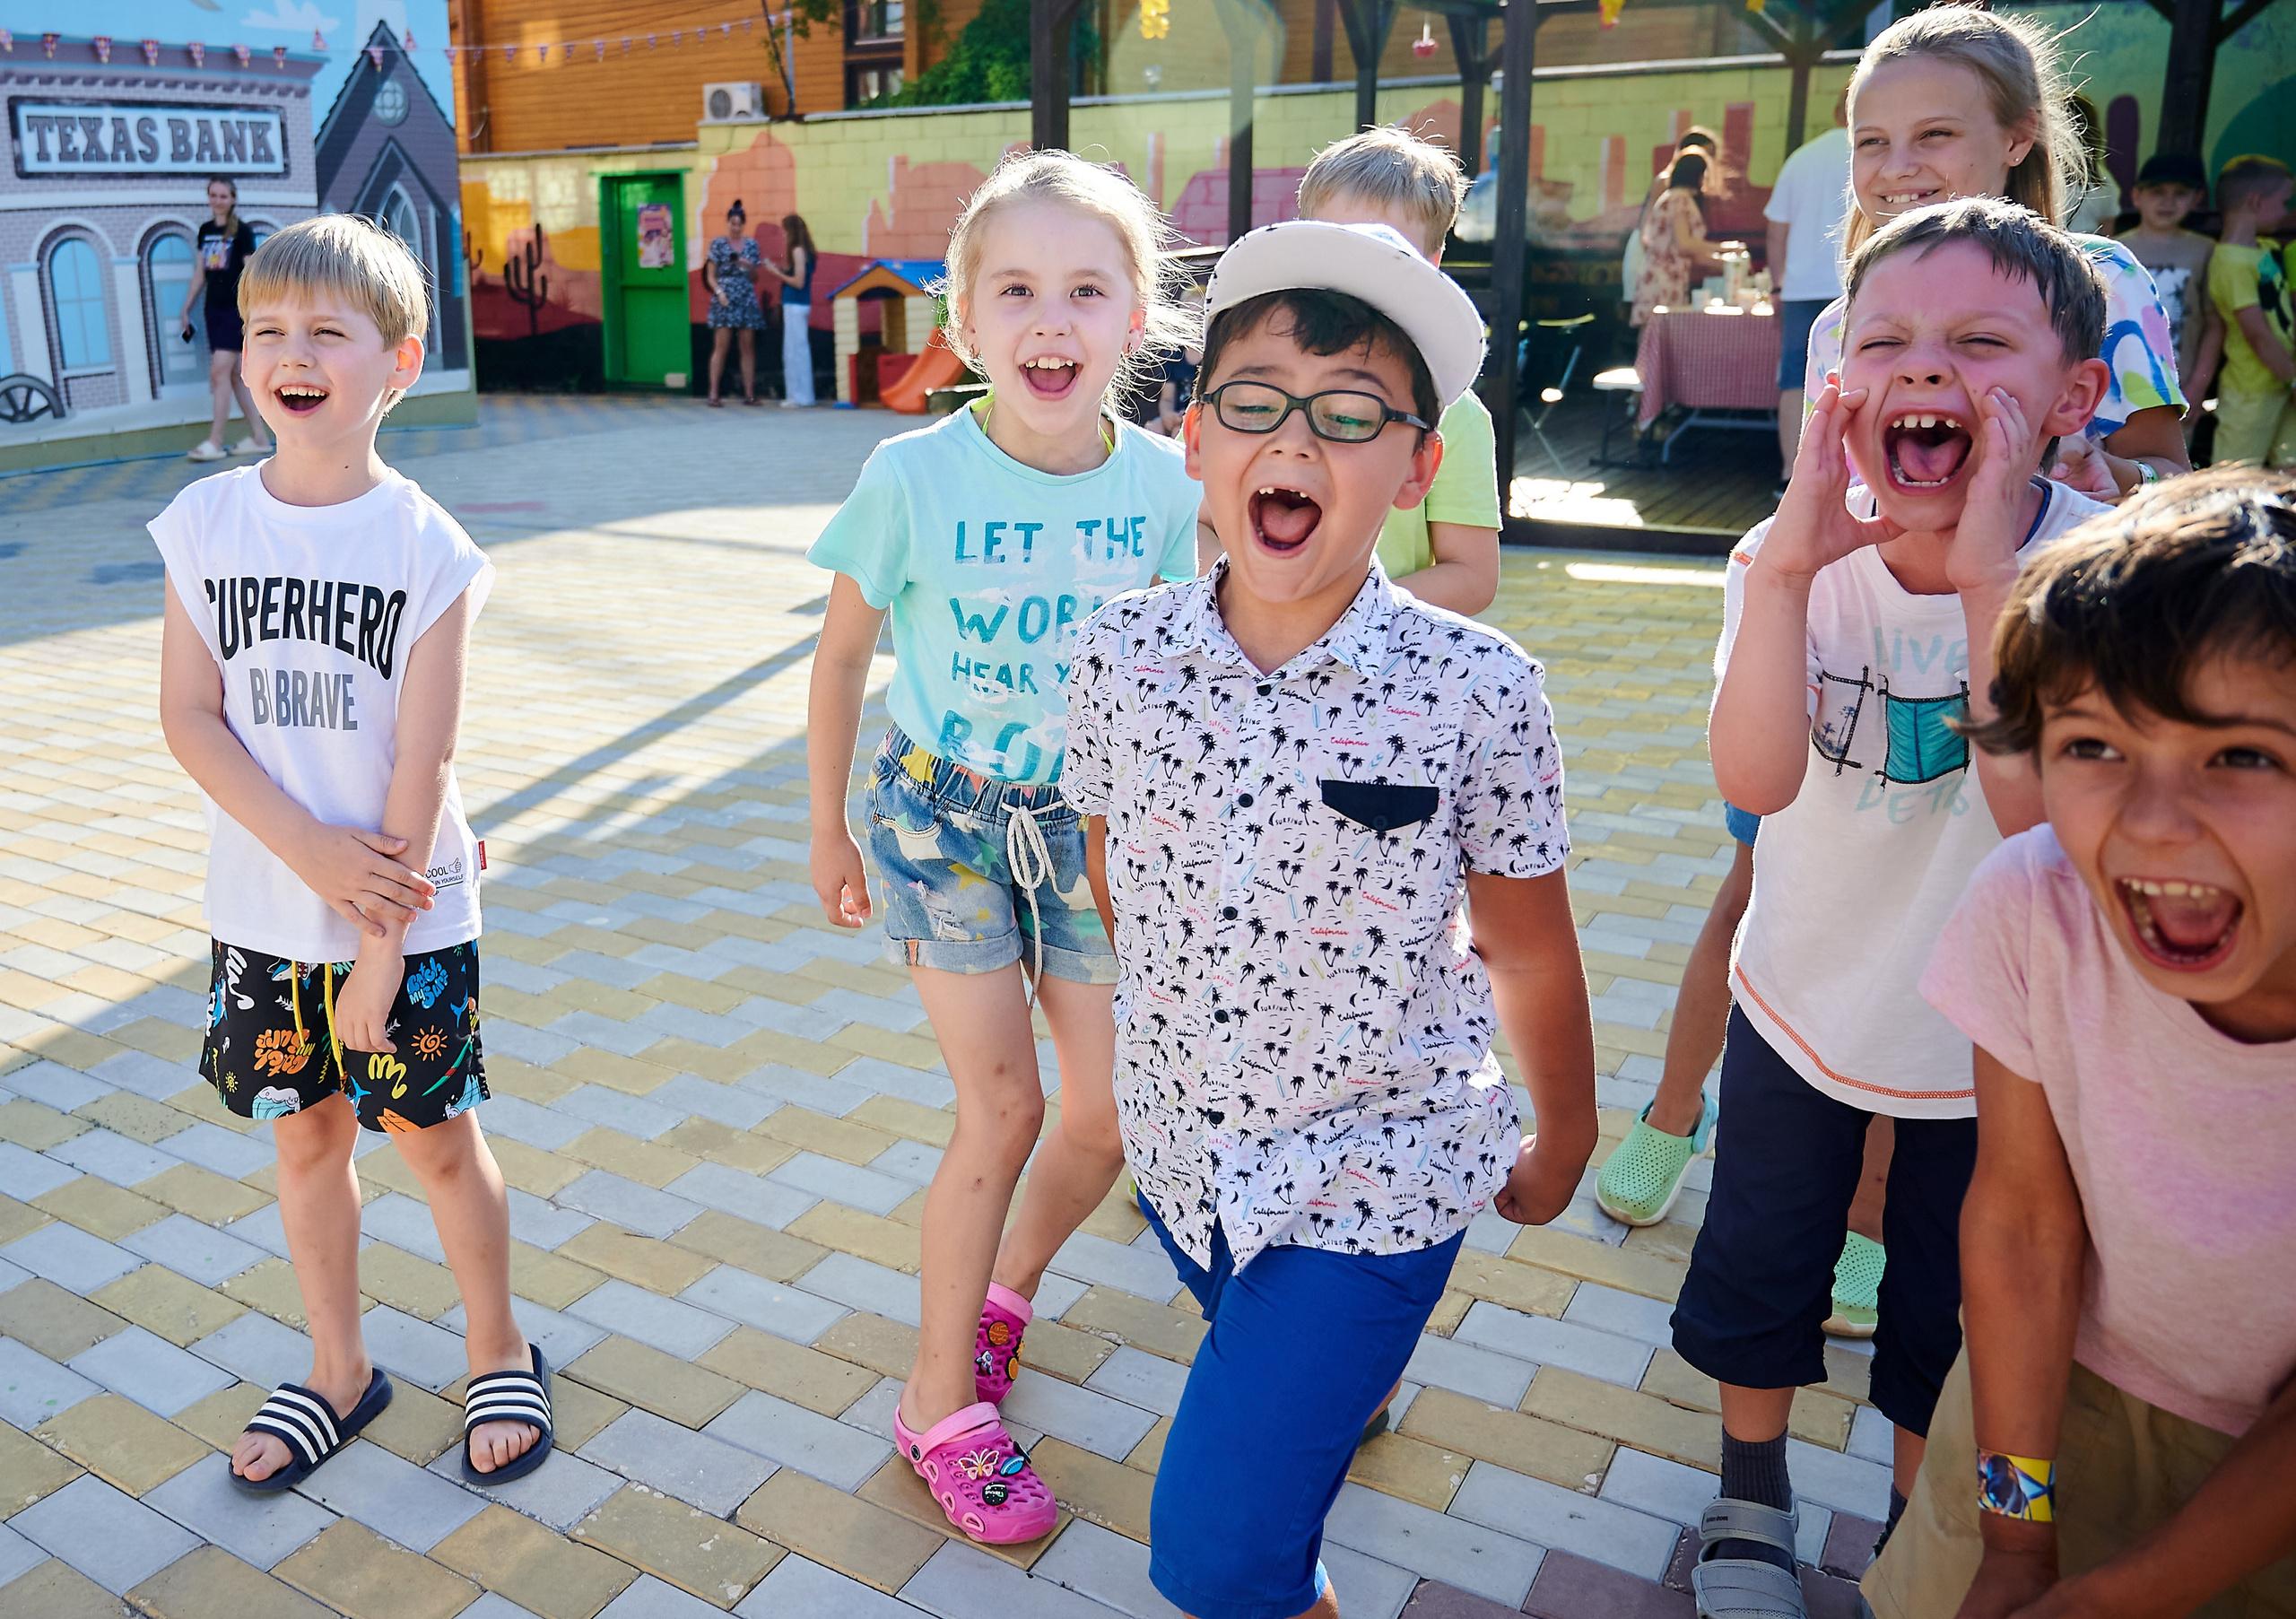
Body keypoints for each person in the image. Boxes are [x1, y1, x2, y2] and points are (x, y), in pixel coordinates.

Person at [1062, 217, 1600, 1619]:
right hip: (1183, 1156)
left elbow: (1530, 942)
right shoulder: (1121, 653)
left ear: (1419, 467)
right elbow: (1115, 865)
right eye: (1255, 403)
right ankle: (1334, 1390)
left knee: (1218, 1555)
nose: (1293, 440)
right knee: (1278, 1442)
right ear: (1194, 438)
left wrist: (1571, 1134)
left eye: (1350, 415)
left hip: (1380, 1171)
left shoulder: (1480, 688)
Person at [1680, 196, 2116, 1618]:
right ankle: (1752, 1495)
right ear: (1834, 385)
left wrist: (1994, 574)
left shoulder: (2105, 577)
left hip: (2000, 1053)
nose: (1925, 371)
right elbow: (1757, 779)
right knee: (1762, 1259)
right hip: (1801, 996)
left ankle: (1905, 1532)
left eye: (1980, 342)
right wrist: (1800, 566)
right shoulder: (1785, 557)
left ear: (2074, 396)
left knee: (1949, 1306)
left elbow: (2040, 832)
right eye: (1887, 342)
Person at [804, 151, 1203, 1545]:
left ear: (1137, 318)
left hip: (1094, 832)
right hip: (941, 819)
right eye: (1016, 291)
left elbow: (1185, 671)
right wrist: (828, 827)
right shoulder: (911, 472)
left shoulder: (1167, 485)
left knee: (1105, 1113)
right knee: (1008, 1108)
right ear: (964, 324)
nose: (1051, 322)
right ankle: (936, 1402)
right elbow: (844, 654)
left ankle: (1000, 1298)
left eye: (1087, 290)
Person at [151, 215, 548, 1496]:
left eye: (329, 330)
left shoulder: (425, 549)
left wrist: (377, 950)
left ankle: (501, 1345)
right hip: (267, 909)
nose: (292, 352)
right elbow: (187, 716)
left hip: (405, 918)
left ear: (400, 361)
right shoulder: (203, 526)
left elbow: (418, 769)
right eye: (269, 329)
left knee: (436, 1142)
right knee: (306, 1142)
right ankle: (338, 1366)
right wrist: (306, 855)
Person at [1862, 466, 2296, 1619]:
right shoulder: (2034, 907)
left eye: (2242, 756)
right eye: (2095, 745)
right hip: (2042, 1406)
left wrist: (2120, 1596)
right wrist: (2014, 1535)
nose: (2152, 821)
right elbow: (2018, 1225)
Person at [1805, 4, 2191, 503]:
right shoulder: (1837, 327)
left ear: (2018, 137)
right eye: (1871, 141)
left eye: (1935, 134)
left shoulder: (2105, 280)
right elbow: (1822, 499)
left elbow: (2177, 482)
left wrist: (2112, 475)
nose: (1897, 167)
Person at [1294, 125, 1503, 616]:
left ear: (1432, 264)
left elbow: (1472, 575)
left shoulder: (1453, 409)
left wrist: (1332, 609)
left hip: (1378, 674)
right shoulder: (1245, 382)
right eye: (1335, 246)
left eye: (1386, 254)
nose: (1355, 273)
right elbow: (1192, 521)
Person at [1766, 91, 1853, 468]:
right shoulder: (1874, 156)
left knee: (1793, 380)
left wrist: (1776, 284)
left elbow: (1775, 231)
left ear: (1835, 112)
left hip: (1799, 288)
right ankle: (1849, 477)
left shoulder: (1800, 158)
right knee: (1854, 380)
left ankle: (1790, 473)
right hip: (1851, 283)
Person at [2206, 155, 2294, 470]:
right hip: (2251, 390)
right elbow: (2256, 333)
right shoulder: (2230, 262)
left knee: (2291, 467)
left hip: (2282, 380)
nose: (2287, 212)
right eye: (2284, 202)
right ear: (2256, 201)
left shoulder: (2267, 248)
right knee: (2235, 474)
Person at [178, 177, 272, 463]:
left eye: (223, 196)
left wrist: (256, 312)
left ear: (233, 199)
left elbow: (251, 273)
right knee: (233, 377)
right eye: (213, 195)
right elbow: (200, 274)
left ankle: (215, 441)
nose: (217, 200)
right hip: (212, 310)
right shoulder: (206, 231)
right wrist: (186, 309)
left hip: (235, 312)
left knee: (219, 372)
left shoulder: (242, 232)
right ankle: (259, 438)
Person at [2116, 152, 2221, 403]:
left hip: (2177, 391)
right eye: (2157, 191)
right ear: (2136, 197)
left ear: (2196, 199)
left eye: (2180, 193)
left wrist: (2197, 387)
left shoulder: (2205, 250)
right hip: (2119, 385)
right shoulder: (2115, 249)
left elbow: (2214, 325)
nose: (2168, 202)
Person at [1633, 151, 1724, 327]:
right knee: (1656, 335)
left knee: (1652, 336)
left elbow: (1689, 250)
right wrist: (1724, 249)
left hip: (1665, 276)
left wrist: (1724, 262)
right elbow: (1684, 244)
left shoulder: (1674, 196)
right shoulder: (1680, 199)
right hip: (1664, 279)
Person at [704, 199, 766, 407]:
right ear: (727, 223)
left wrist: (749, 266)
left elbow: (755, 278)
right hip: (724, 298)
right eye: (732, 223)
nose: (736, 227)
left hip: (746, 297)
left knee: (747, 347)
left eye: (739, 224)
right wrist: (719, 292)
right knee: (721, 346)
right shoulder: (718, 244)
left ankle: (749, 394)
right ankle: (713, 393)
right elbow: (710, 275)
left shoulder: (751, 246)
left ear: (743, 225)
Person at [762, 213, 818, 406]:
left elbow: (798, 282)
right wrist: (784, 270)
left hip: (795, 304)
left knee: (794, 351)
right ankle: (803, 395)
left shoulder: (797, 250)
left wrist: (776, 273)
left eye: (785, 231)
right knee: (800, 349)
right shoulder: (805, 250)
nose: (783, 235)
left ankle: (797, 396)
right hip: (799, 305)